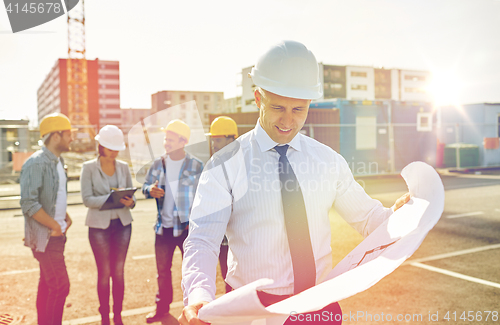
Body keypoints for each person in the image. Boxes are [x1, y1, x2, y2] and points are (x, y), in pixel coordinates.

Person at [179, 41, 410, 325]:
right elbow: (202, 239)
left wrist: (399, 218)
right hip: (253, 311)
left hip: (319, 305)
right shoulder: (224, 165)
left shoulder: (328, 160)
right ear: (257, 97)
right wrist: (199, 293)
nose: (288, 121)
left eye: (299, 109)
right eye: (278, 107)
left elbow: (369, 218)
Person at [142, 119, 204, 323]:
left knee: (192, 272)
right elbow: (145, 186)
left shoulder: (196, 165)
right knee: (162, 272)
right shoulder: (158, 163)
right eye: (165, 138)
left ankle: (195, 310)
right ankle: (162, 309)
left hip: (186, 228)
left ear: (183, 141)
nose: (166, 142)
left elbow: (205, 196)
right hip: (163, 228)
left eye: (170, 138)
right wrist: (149, 190)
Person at [20, 113, 75, 325]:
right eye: (68, 134)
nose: (72, 139)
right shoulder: (36, 163)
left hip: (56, 234)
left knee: (48, 284)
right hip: (47, 236)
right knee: (60, 286)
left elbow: (52, 196)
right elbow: (28, 203)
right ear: (56, 136)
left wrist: (64, 217)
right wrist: (54, 225)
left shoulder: (58, 162)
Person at [80, 125, 136, 325]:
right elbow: (87, 199)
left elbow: (132, 197)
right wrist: (111, 199)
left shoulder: (123, 167)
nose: (114, 152)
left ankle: (118, 316)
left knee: (118, 272)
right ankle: (104, 317)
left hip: (123, 225)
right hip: (98, 228)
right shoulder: (88, 168)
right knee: (104, 273)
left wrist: (130, 202)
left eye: (117, 148)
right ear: (100, 146)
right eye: (111, 148)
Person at [205, 116, 239, 293]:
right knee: (228, 277)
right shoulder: (213, 165)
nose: (214, 144)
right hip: (223, 237)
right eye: (213, 140)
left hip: (242, 235)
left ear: (231, 139)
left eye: (217, 139)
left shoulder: (245, 163)